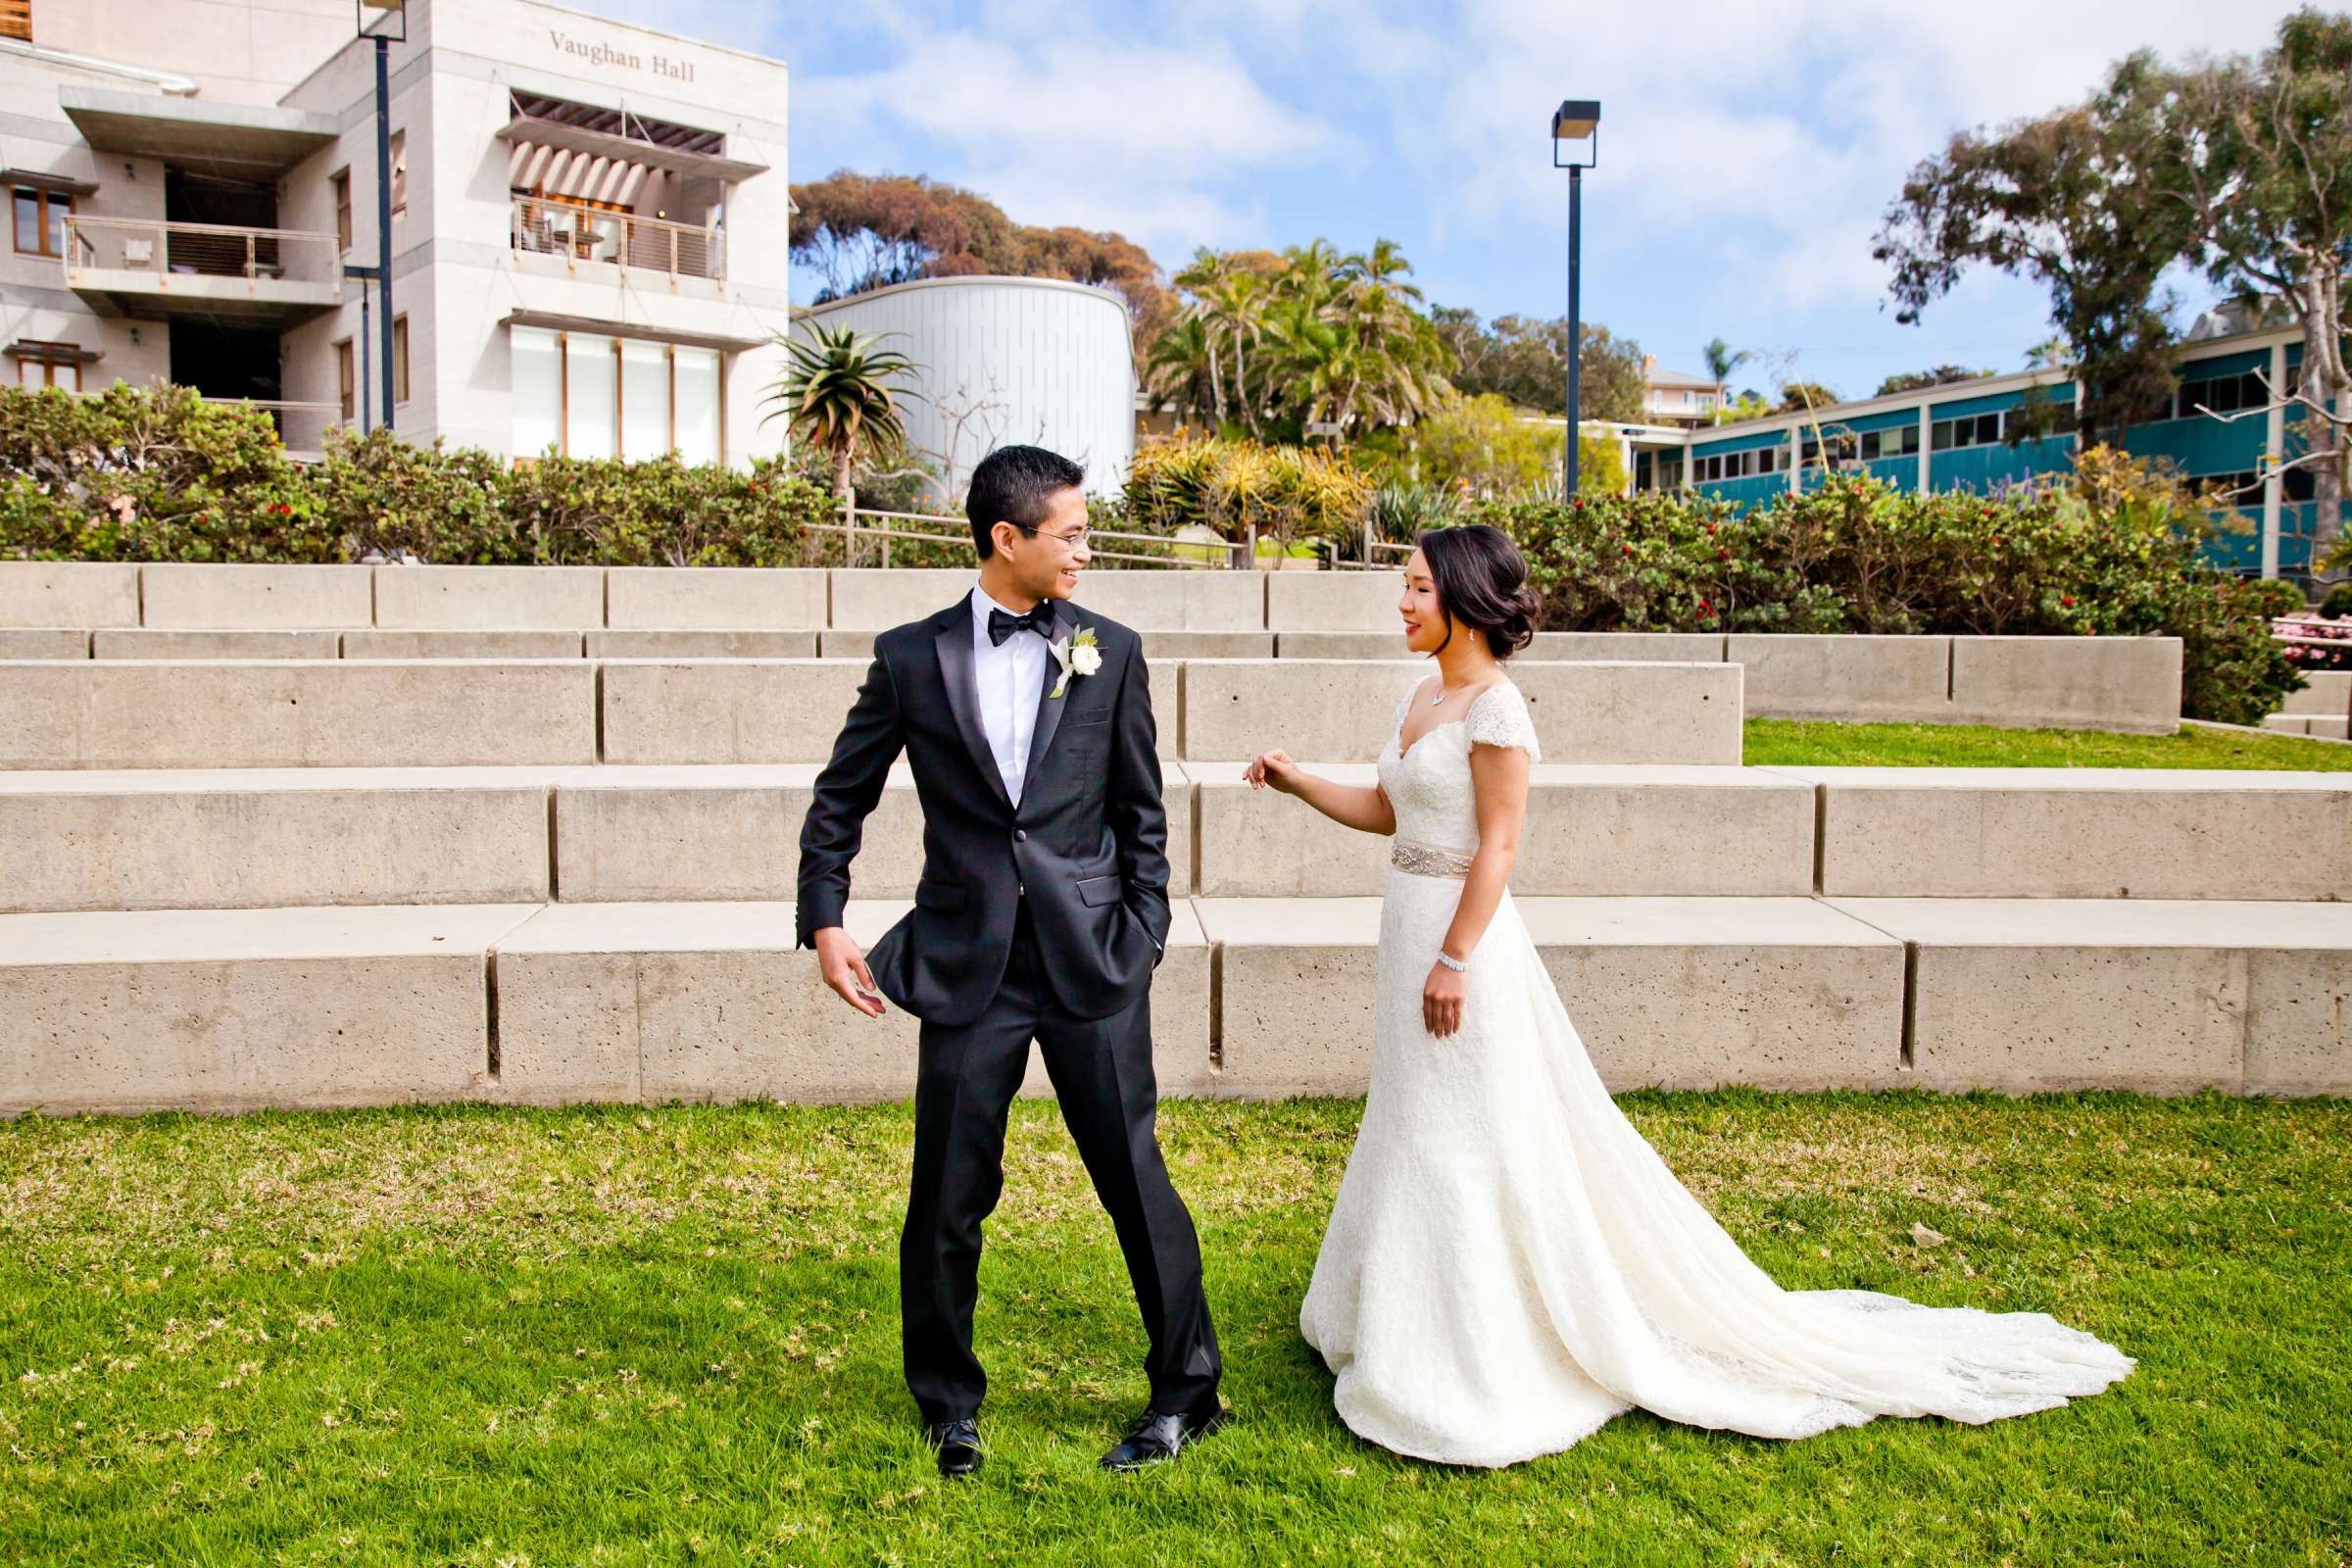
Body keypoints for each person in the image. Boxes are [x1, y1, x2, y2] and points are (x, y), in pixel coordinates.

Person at [1243, 523, 2134, 1468]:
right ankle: (1394, 1317)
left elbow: (1500, 846)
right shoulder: (1424, 694)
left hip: (1460, 945)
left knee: (1463, 1132)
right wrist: (1301, 782)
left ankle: (1472, 1350)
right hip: (1407, 929)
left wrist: (1455, 957)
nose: (1404, 603)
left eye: (1419, 587)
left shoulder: (1498, 711)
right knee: (1414, 1119)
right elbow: (1392, 812)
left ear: (1465, 598)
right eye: (1406, 587)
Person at [796, 444, 1225, 1479]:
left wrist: (1147, 928)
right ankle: (949, 1404)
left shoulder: (1110, 649)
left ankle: (1186, 1394)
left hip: (1092, 961)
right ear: (1007, 538)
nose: (1088, 549)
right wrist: (827, 920)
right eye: (1071, 533)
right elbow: (839, 796)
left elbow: (1142, 811)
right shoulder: (911, 657)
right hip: (966, 961)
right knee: (946, 1190)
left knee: (1136, 1182)